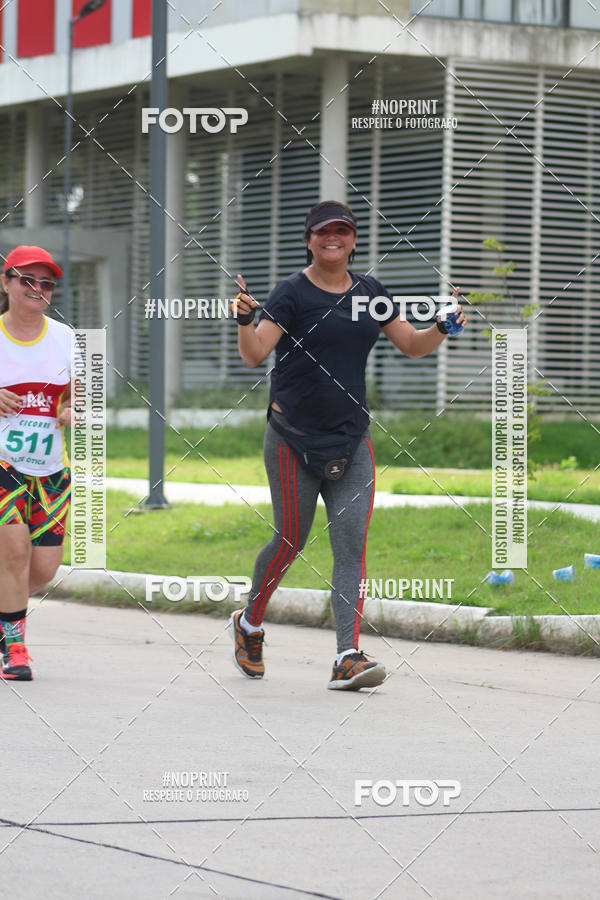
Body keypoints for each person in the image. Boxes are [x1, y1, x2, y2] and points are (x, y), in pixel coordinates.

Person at [230, 201, 467, 690]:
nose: (332, 239)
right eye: (323, 232)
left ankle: (347, 656)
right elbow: (255, 356)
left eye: (342, 231)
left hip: (351, 440)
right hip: (292, 439)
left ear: (354, 240)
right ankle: (249, 622)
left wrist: (442, 328)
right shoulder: (291, 293)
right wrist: (242, 319)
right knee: (290, 541)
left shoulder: (371, 292)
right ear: (309, 239)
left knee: (350, 547)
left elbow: (412, 344)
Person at [0, 246, 73, 681]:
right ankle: (16, 649)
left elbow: (79, 395)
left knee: (42, 569)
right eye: (27, 279)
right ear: (5, 283)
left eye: (46, 282)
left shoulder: (65, 337)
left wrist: (73, 410)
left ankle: (7, 615)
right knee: (13, 551)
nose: (37, 288)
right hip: (2, 463)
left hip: (49, 468)